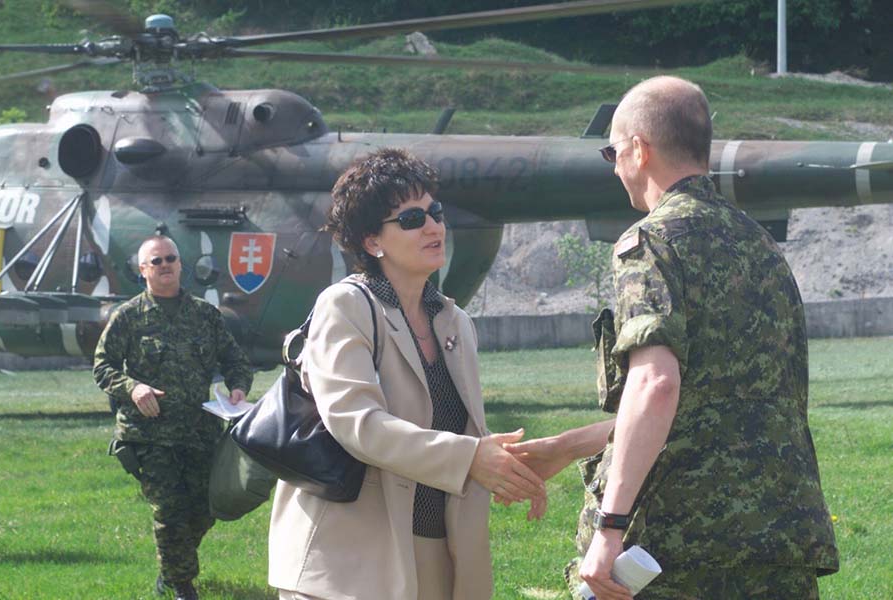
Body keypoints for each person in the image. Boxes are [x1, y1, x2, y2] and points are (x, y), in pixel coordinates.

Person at [505, 76, 839, 599]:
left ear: (639, 149)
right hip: (780, 535)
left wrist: (609, 529)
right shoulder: (760, 245)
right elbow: (712, 403)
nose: (614, 166)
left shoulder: (651, 242)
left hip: (677, 545)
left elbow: (657, 386)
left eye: (611, 152)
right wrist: (569, 445)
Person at [268, 148, 546, 600]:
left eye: (435, 212)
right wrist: (470, 458)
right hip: (350, 564)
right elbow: (356, 423)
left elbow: (461, 431)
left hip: (438, 555)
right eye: (412, 219)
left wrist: (512, 471)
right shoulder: (346, 305)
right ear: (371, 240)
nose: (434, 226)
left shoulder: (454, 321)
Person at [93, 235, 253, 600]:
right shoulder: (129, 316)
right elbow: (102, 367)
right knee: (169, 511)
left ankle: (171, 572)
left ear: (181, 265)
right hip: (149, 435)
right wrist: (133, 388)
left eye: (170, 258)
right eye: (156, 261)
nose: (165, 265)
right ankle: (181, 586)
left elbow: (236, 361)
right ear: (143, 271)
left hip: (199, 432)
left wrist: (238, 388)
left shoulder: (205, 315)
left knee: (203, 510)